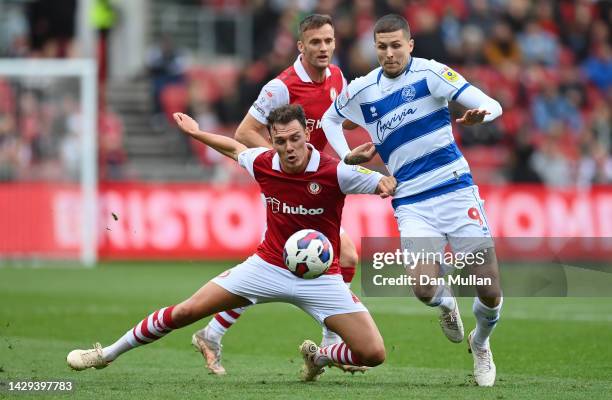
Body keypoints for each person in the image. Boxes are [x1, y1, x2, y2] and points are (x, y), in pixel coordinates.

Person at [66, 104, 395, 381]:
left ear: (307, 135)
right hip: (267, 267)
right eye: (280, 141)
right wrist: (196, 134)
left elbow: (382, 182)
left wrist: (384, 183)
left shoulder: (335, 172)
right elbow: (234, 148)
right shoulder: (265, 163)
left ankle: (320, 357)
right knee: (186, 311)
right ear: (272, 141)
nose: (289, 147)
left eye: (295, 138)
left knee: (373, 353)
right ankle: (106, 353)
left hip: (321, 278)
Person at [321, 14, 503, 387]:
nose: (389, 54)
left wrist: (480, 117)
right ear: (376, 48)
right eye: (382, 47)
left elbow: (491, 104)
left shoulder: (431, 73)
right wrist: (348, 156)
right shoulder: (362, 89)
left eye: (396, 46)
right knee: (423, 288)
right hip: (411, 201)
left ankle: (480, 343)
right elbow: (329, 120)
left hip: (454, 189)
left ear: (410, 45)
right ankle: (447, 303)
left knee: (489, 288)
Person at [193, 14, 362, 375]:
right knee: (335, 255)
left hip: (317, 188)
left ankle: (213, 332)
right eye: (315, 42)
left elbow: (335, 121)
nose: (323, 48)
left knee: (284, 263)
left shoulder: (336, 78)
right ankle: (331, 344)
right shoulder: (281, 87)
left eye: (328, 41)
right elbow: (245, 131)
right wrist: (281, 164)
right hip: (289, 183)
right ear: (301, 46)